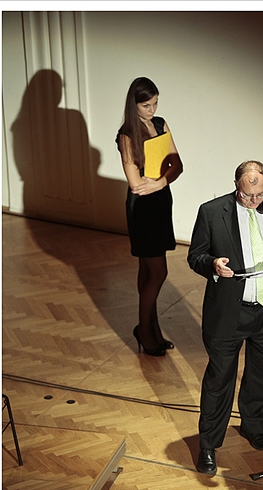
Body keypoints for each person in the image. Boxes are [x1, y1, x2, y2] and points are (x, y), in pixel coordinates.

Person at [187, 160, 263, 475]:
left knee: (261, 375)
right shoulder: (212, 212)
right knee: (219, 379)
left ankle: (254, 426)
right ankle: (208, 444)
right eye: (247, 194)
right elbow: (195, 256)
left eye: (260, 194)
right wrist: (213, 265)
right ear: (236, 184)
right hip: (228, 312)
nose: (254, 201)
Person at [116, 77, 183, 356]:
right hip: (142, 209)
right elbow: (135, 184)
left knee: (147, 270)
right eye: (146, 105)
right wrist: (160, 180)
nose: (152, 110)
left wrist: (159, 182)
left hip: (160, 201)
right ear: (134, 105)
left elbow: (177, 164)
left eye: (155, 103)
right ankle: (144, 329)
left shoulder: (160, 124)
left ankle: (151, 328)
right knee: (158, 271)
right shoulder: (127, 134)